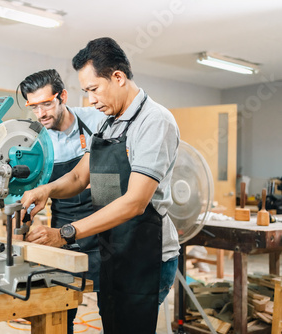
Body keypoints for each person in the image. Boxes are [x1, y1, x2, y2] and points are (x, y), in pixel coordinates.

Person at [20, 37, 181, 333]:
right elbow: (81, 177)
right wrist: (47, 190)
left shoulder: (154, 122)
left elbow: (135, 202)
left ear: (118, 77)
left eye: (94, 90)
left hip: (146, 253)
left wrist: (65, 233)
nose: (91, 100)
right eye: (86, 92)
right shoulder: (110, 122)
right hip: (115, 248)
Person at [17, 69, 106, 334]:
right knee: (59, 311)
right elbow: (31, 192)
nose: (41, 113)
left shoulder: (98, 121)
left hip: (104, 226)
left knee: (112, 308)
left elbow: (91, 180)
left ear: (63, 96)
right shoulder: (35, 142)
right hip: (62, 231)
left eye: (47, 104)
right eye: (34, 107)